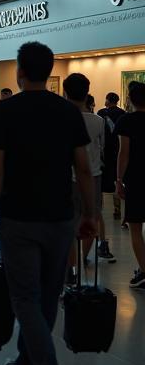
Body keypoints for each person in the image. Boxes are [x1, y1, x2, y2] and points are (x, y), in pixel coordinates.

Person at [0, 43, 94, 365]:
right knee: (45, 298)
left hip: (19, 219)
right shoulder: (68, 111)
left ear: (20, 72)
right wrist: (91, 213)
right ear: (50, 69)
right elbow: (84, 168)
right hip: (60, 218)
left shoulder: (4, 112)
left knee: (24, 298)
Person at [62, 73, 109, 264]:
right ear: (87, 93)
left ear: (65, 92)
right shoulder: (98, 121)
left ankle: (71, 265)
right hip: (94, 176)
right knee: (92, 217)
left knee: (69, 222)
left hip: (67, 177)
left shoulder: (61, 119)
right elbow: (102, 148)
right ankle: (82, 259)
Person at [116, 81, 145, 290]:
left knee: (135, 227)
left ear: (130, 99)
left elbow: (123, 153)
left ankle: (144, 271)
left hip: (136, 179)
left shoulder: (126, 121)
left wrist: (119, 179)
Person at [99, 91, 126, 227]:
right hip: (119, 149)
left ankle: (100, 210)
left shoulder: (101, 113)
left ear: (109, 100)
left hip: (106, 152)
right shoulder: (123, 114)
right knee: (119, 179)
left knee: (104, 182)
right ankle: (118, 210)